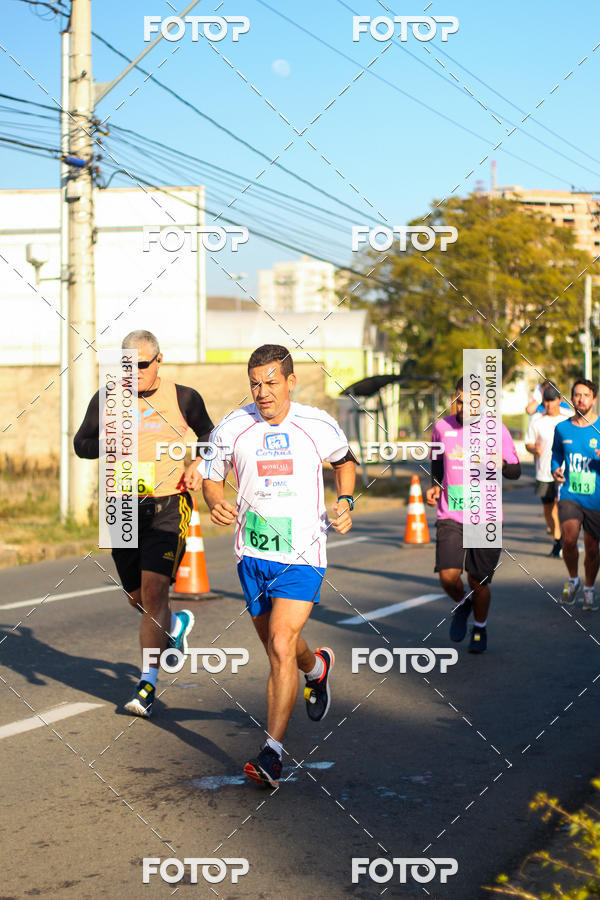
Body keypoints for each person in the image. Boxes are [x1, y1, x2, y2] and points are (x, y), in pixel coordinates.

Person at [201, 344, 356, 787]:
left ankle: (272, 753)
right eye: (255, 383)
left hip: (302, 553)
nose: (263, 391)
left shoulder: (316, 424)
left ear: (290, 381)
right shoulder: (232, 426)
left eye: (271, 382)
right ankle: (318, 669)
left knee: (280, 646)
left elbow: (346, 464)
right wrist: (215, 503)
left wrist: (345, 500)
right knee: (279, 647)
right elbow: (213, 480)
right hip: (251, 554)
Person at [74, 330, 214, 716]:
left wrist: (200, 465)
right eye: (126, 365)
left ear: (159, 361)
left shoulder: (184, 397)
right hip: (119, 508)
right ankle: (175, 629)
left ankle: (146, 685)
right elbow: (80, 444)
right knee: (138, 599)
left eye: (141, 365)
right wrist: (106, 442)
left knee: (154, 594)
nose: (133, 373)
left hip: (168, 504)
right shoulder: (107, 399)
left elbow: (210, 435)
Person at [425, 377, 521, 653]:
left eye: (471, 403)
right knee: (447, 576)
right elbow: (437, 461)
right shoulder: (442, 427)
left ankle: (480, 627)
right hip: (451, 513)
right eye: (459, 400)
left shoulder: (497, 430)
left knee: (477, 581)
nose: (464, 407)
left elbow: (515, 470)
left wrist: (500, 462)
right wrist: (434, 486)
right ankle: (462, 604)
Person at [551, 378, 600, 611]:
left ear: (594, 399)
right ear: (572, 398)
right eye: (577, 395)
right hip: (570, 493)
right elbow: (556, 454)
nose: (581, 399)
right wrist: (555, 468)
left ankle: (589, 589)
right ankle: (574, 579)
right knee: (569, 540)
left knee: (592, 548)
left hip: (595, 497)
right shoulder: (562, 428)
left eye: (586, 395)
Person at [525, 385, 570, 556]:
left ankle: (562, 540)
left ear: (559, 401)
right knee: (548, 509)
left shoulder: (568, 418)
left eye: (552, 401)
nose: (549, 405)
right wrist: (533, 449)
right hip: (543, 472)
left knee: (560, 507)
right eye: (546, 402)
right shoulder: (537, 420)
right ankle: (558, 538)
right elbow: (528, 442)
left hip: (563, 471)